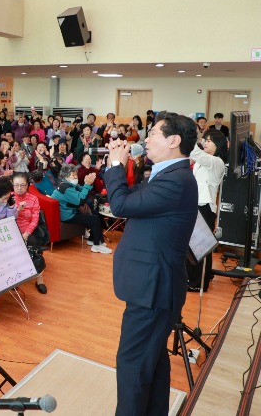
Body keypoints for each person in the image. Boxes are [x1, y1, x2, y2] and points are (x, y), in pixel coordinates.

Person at [105, 112, 198, 416]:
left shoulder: (177, 180)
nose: (146, 138)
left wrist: (116, 165)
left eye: (154, 133)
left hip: (153, 289)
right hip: (154, 285)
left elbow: (120, 205)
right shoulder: (165, 173)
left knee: (132, 367)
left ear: (174, 141)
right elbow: (133, 197)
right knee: (152, 362)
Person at [187, 130, 226, 292]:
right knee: (199, 246)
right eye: (206, 140)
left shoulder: (217, 162)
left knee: (199, 247)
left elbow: (195, 152)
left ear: (219, 145)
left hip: (205, 207)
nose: (206, 143)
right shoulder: (202, 161)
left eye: (210, 141)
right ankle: (204, 276)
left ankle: (198, 284)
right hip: (196, 205)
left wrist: (188, 134)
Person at [51, 163, 111, 254]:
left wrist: (88, 183)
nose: (75, 177)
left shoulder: (68, 184)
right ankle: (97, 245)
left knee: (95, 213)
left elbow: (82, 190)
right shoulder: (66, 188)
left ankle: (93, 239)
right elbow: (81, 200)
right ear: (66, 177)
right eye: (73, 175)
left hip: (69, 211)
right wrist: (87, 184)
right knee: (94, 219)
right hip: (66, 215)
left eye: (76, 174)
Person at [12, 173, 47, 294]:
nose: (19, 188)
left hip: (29, 230)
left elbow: (35, 219)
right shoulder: (8, 198)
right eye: (16, 185)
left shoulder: (33, 199)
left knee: (34, 248)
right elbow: (5, 218)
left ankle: (39, 278)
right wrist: (17, 211)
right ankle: (14, 278)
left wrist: (26, 234)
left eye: (22, 185)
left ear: (27, 185)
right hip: (12, 231)